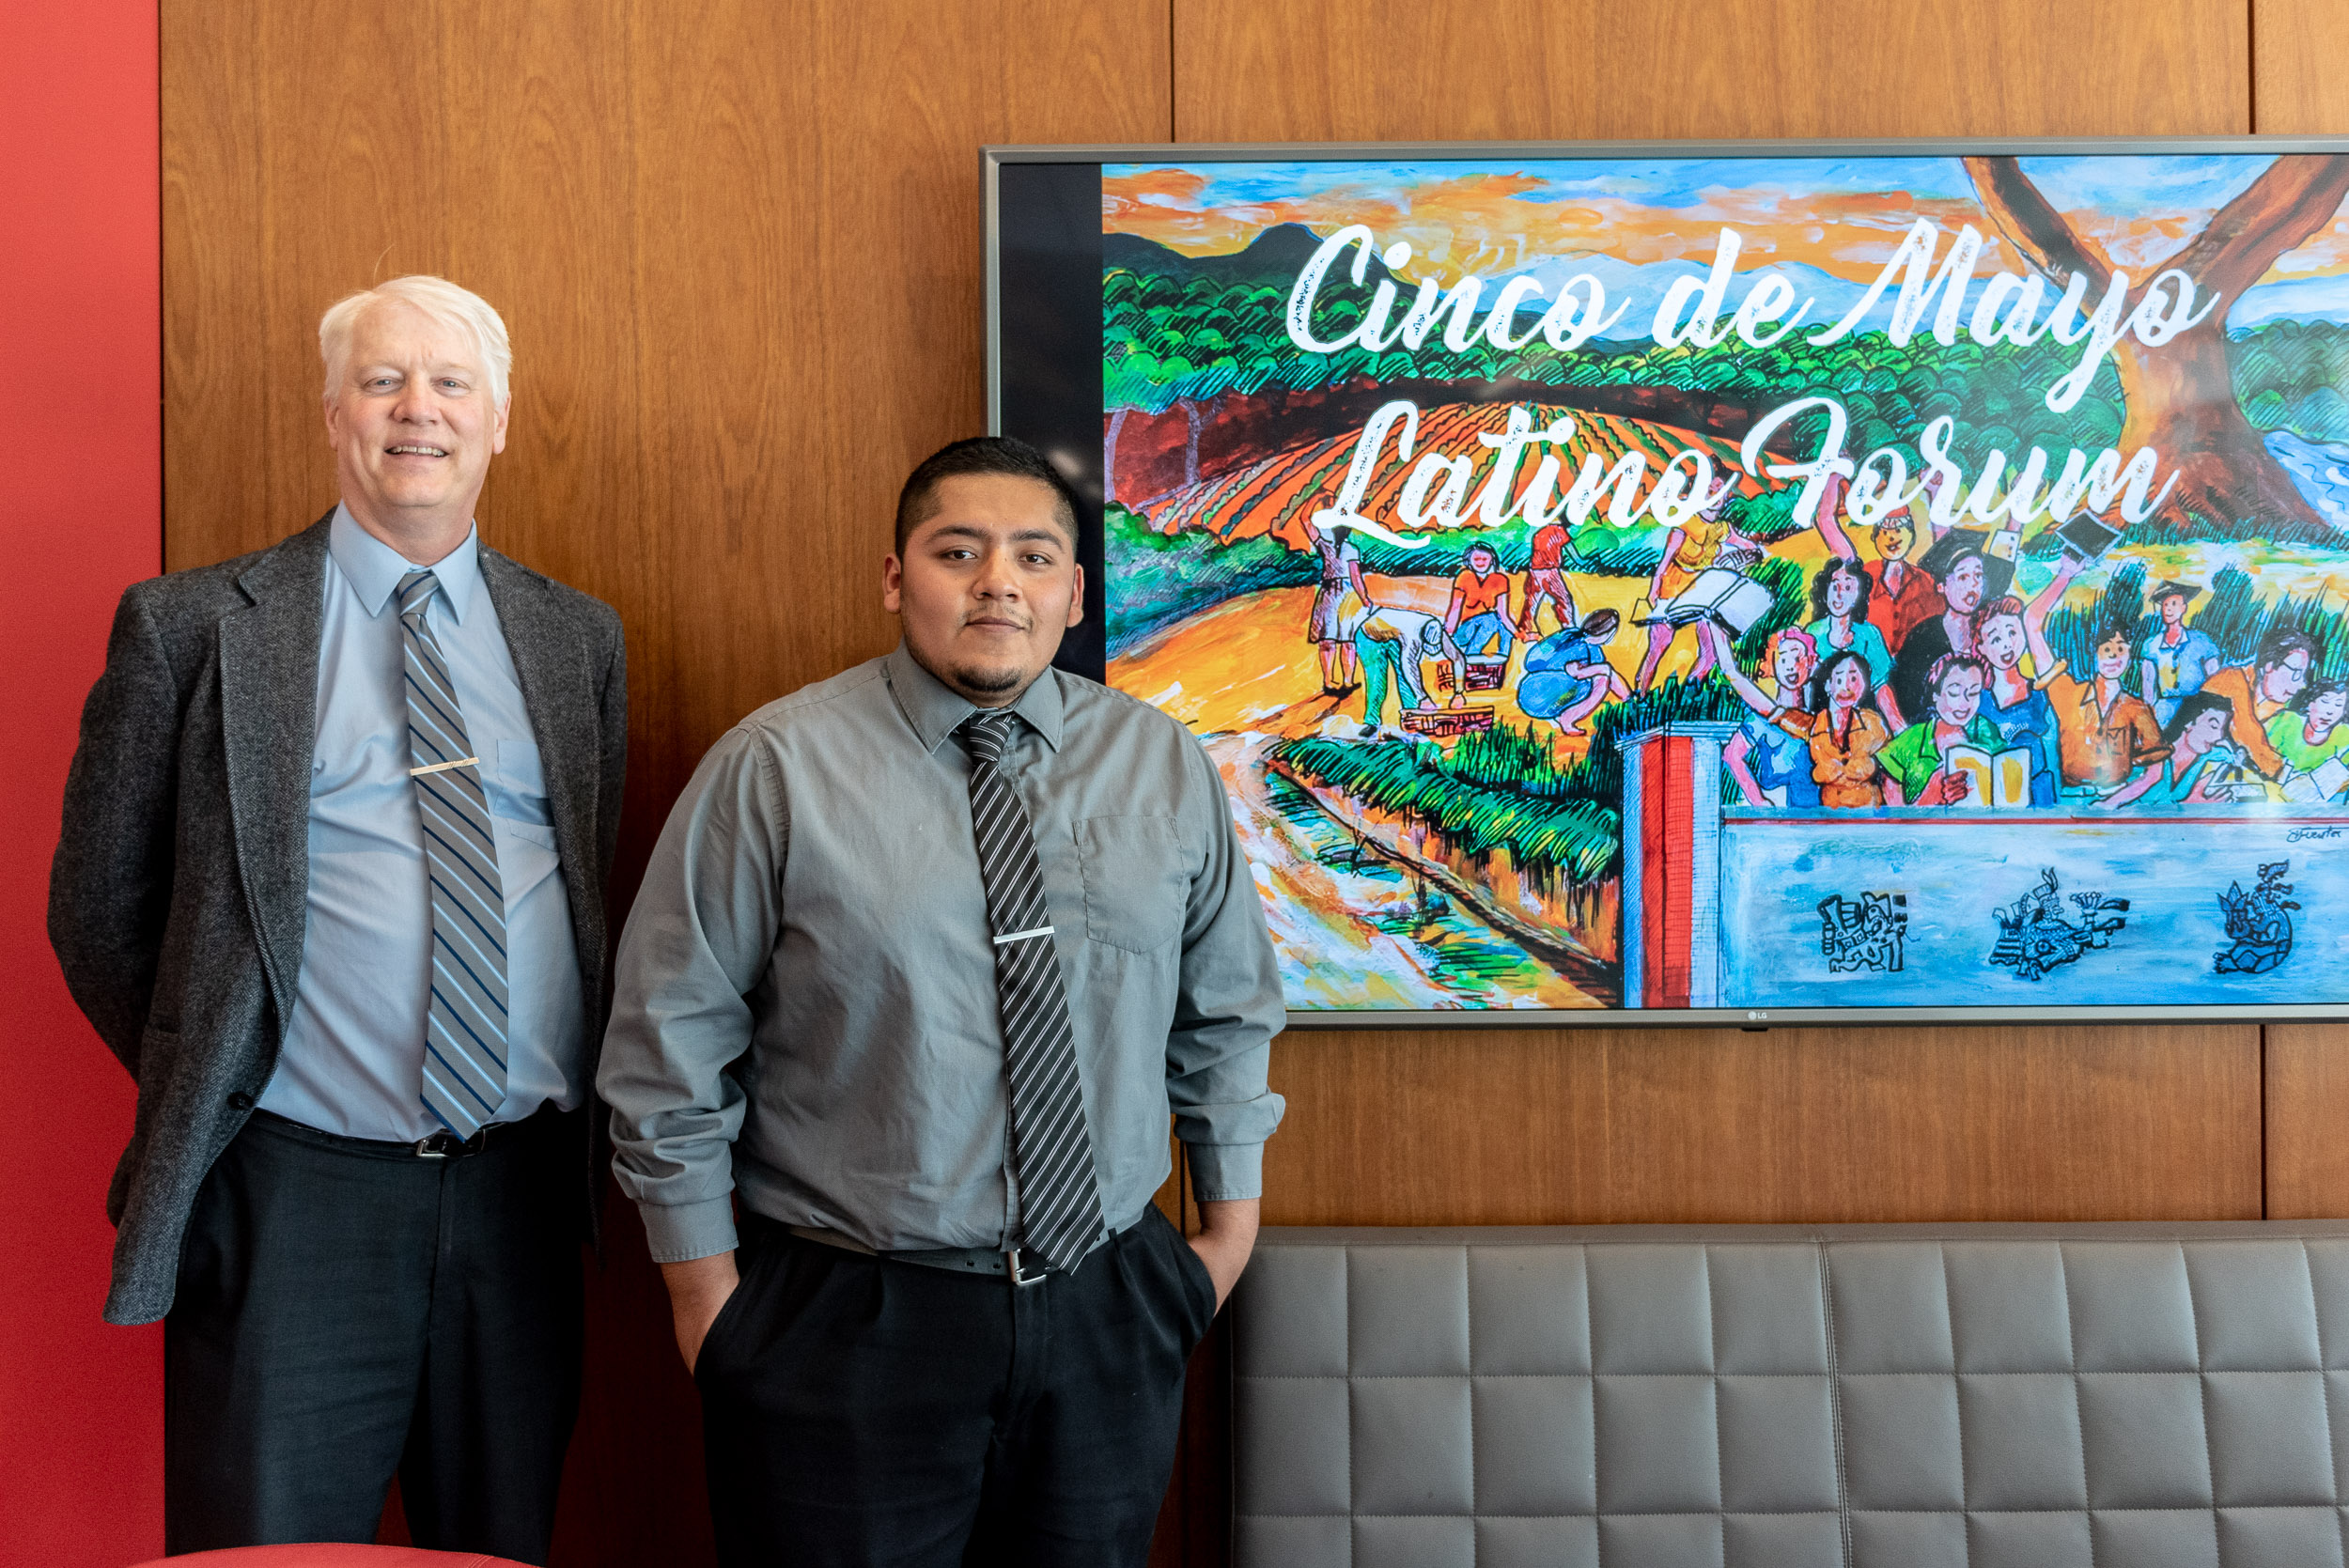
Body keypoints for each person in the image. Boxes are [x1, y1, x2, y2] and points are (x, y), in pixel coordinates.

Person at [597, 436, 1285, 1566]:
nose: (995, 581)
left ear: (1072, 590)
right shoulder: (774, 768)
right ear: (893, 577)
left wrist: (1223, 1235)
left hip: (1108, 1301)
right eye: (956, 551)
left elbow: (1226, 1013)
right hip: (846, 1323)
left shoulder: (1160, 764)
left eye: (1032, 555)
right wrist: (705, 1301)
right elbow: (667, 1039)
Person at [47, 276, 627, 1560]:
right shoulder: (193, 627)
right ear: (332, 413)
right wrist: (221, 1069)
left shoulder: (574, 636)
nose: (417, 409)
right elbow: (96, 906)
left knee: (500, 1547)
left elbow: (585, 887)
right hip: (294, 1194)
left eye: (451, 383)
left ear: (501, 421)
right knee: (264, 1550)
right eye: (383, 381)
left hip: (523, 1197)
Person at [2021, 560, 2165, 791]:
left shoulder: (2137, 708)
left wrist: (2115, 802)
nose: (2113, 657)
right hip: (2069, 797)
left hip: (2117, 800)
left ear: (2129, 654)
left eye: (2121, 649)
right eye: (2106, 650)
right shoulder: (2067, 692)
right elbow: (2032, 621)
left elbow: (2155, 771)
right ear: (2094, 655)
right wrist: (2066, 574)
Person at [1634, 478, 1760, 691]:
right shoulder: (1685, 523)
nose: (1714, 498)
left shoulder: (1722, 528)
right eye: (1708, 491)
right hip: (1673, 587)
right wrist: (1655, 586)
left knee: (1711, 651)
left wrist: (1744, 557)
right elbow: (1666, 560)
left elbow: (1753, 549)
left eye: (1719, 492)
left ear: (1727, 497)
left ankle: (1687, 693)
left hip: (1702, 591)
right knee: (1659, 645)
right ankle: (1640, 693)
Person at [1888, 529, 2012, 733]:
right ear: (1941, 587)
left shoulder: (1990, 632)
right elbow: (1907, 699)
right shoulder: (1923, 637)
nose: (1973, 585)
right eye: (1962, 577)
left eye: (1978, 575)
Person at [1810, 473, 1943, 653]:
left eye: (1898, 529)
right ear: (1875, 538)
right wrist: (1834, 476)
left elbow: (1946, 548)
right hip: (1863, 669)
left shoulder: (1926, 581)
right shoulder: (1860, 577)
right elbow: (1825, 521)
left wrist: (1936, 491)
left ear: (1911, 535)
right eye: (1884, 531)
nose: (1891, 537)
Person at [1705, 621, 1822, 808]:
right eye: (1783, 659)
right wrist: (1759, 801)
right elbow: (1732, 755)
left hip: (1816, 805)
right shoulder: (1760, 719)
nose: (1791, 666)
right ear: (1771, 666)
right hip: (1779, 803)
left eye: (1798, 658)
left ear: (1810, 663)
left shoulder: (1819, 718)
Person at [1968, 594, 2060, 806]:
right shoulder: (1977, 703)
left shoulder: (2040, 697)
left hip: (2041, 800)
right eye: (1996, 639)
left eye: (2012, 633)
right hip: (1993, 803)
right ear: (1981, 647)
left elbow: (2053, 759)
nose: (2007, 645)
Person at [1877, 654, 2003, 805]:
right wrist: (1930, 796)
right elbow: (1895, 819)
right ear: (1935, 695)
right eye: (1954, 693)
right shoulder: (1909, 743)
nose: (1964, 704)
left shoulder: (1986, 730)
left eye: (1973, 693)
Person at [2201, 626, 2316, 781]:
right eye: (2296, 673)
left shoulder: (2281, 711)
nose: (2301, 684)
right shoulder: (2230, 680)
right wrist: (2282, 772)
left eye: (2303, 676)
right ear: (2269, 665)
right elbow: (2246, 732)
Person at [2104, 691, 2256, 808]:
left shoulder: (2208, 755)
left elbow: (2236, 757)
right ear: (2189, 723)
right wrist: (2189, 804)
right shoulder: (2156, 757)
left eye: (2223, 729)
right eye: (2213, 725)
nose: (2219, 736)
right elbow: (2110, 807)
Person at [1783, 647, 1892, 809]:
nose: (1846, 687)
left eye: (1854, 679)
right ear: (1828, 685)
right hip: (1830, 815)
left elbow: (1891, 773)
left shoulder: (1873, 723)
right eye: (1839, 680)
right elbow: (1773, 712)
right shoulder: (1814, 725)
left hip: (1869, 814)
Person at [1517, 608, 1628, 738]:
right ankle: (1567, 719)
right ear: (1609, 633)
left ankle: (1630, 700)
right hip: (1543, 697)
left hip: (1527, 690)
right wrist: (1566, 669)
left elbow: (1532, 659)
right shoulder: (1592, 651)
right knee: (1603, 678)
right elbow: (1586, 674)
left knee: (1605, 671)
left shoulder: (1568, 634)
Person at [1353, 601, 1467, 726]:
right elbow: (1409, 667)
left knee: (1405, 683)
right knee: (1377, 683)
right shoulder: (1412, 637)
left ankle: (1411, 719)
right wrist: (1423, 698)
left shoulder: (1436, 628)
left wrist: (1459, 693)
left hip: (1393, 636)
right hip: (1369, 638)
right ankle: (1372, 723)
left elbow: (1458, 658)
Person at [1804, 555, 1896, 704]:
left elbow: (1881, 687)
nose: (1839, 594)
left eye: (1847, 587)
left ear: (1858, 594)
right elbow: (1805, 685)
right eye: (1834, 586)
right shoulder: (1813, 633)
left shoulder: (1869, 634)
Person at [2139, 579, 2220, 727]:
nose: (2168, 609)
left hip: (2196, 711)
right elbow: (2148, 690)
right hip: (2163, 713)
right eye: (2165, 605)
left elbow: (2215, 681)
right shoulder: (2151, 645)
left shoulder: (2201, 641)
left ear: (2184, 607)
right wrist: (2148, 719)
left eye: (2174, 604)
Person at [1307, 521, 1373, 694]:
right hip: (1345, 594)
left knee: (1331, 640)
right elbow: (1356, 577)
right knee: (1345, 640)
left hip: (1331, 593)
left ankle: (1331, 682)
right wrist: (1365, 599)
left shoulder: (1327, 546)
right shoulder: (1349, 548)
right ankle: (1344, 681)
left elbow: (1356, 577)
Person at [2269, 675, 2349, 800]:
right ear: (2310, 704)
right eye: (2325, 701)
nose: (2330, 711)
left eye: (2338, 705)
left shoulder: (2345, 737)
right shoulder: (2285, 721)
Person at [1445, 539, 1516, 662]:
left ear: (1491, 560)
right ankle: (1469, 658)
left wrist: (1518, 633)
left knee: (1502, 625)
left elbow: (1503, 614)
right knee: (1491, 619)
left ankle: (1502, 661)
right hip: (1464, 632)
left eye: (1484, 559)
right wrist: (1447, 635)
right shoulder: (1464, 577)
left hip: (1487, 627)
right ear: (1469, 561)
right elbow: (1455, 609)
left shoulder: (1500, 580)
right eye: (1476, 559)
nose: (1480, 563)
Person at [1518, 515, 1577, 637]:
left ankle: (1525, 629)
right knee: (1564, 599)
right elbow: (1571, 550)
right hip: (1550, 571)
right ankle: (1569, 627)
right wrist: (1581, 561)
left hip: (1535, 570)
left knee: (1532, 602)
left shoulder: (1540, 533)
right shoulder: (1559, 530)